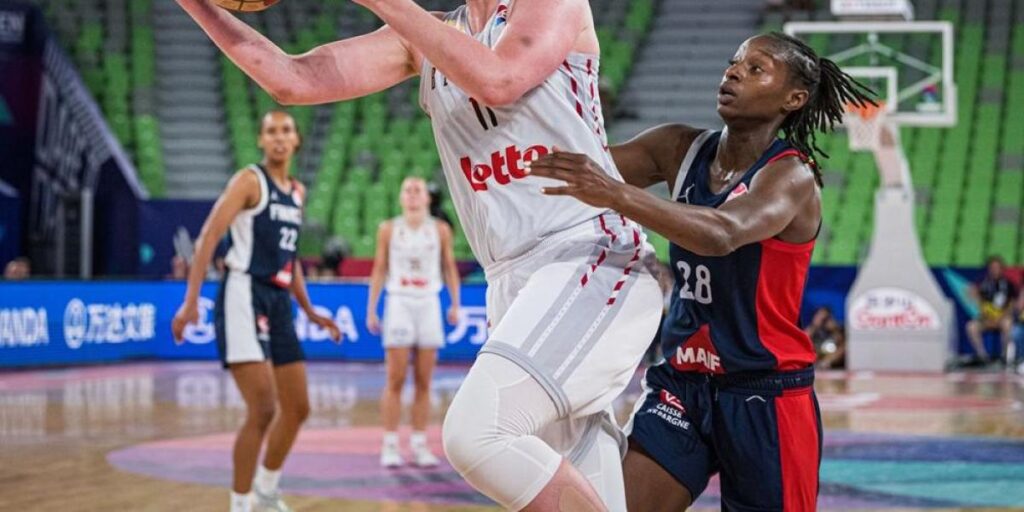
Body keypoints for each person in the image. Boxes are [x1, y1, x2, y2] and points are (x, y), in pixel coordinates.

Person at [177, 0, 664, 509]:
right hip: (513, 282)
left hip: (591, 254)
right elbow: (292, 79)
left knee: (478, 433)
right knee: (583, 470)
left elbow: (499, 79)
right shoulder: (423, 37)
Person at [528, 32, 875, 511]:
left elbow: (724, 232)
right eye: (734, 62)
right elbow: (584, 165)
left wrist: (616, 195)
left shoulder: (791, 176)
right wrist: (510, 110)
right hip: (683, 386)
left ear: (793, 99)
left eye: (757, 69)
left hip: (765, 393)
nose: (733, 72)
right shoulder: (679, 147)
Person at [171, 111, 341, 512]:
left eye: (286, 131)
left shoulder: (297, 191)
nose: (279, 137)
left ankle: (266, 491)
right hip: (243, 292)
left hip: (279, 299)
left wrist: (311, 311)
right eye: (270, 131)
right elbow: (210, 236)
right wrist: (190, 301)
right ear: (262, 141)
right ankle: (241, 502)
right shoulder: (250, 181)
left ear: (296, 141)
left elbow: (291, 257)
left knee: (298, 408)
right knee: (263, 408)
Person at [365, 177, 461, 468]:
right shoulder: (389, 229)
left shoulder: (440, 230)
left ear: (427, 198)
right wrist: (372, 308)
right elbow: (379, 268)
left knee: (424, 381)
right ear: (400, 197)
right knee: (395, 379)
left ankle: (419, 443)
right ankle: (390, 443)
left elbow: (449, 267)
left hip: (428, 302)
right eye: (407, 190)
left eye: (418, 190)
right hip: (399, 302)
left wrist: (455, 303)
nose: (413, 195)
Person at [965, 256, 1017, 365]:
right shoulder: (983, 283)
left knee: (1008, 325)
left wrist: (1001, 317)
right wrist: (972, 294)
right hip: (987, 319)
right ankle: (982, 356)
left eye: (997, 267)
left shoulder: (1008, 284)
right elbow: (978, 302)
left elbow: (1012, 305)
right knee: (971, 327)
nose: (995, 270)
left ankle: (1004, 357)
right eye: (992, 268)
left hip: (1002, 318)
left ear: (1002, 269)